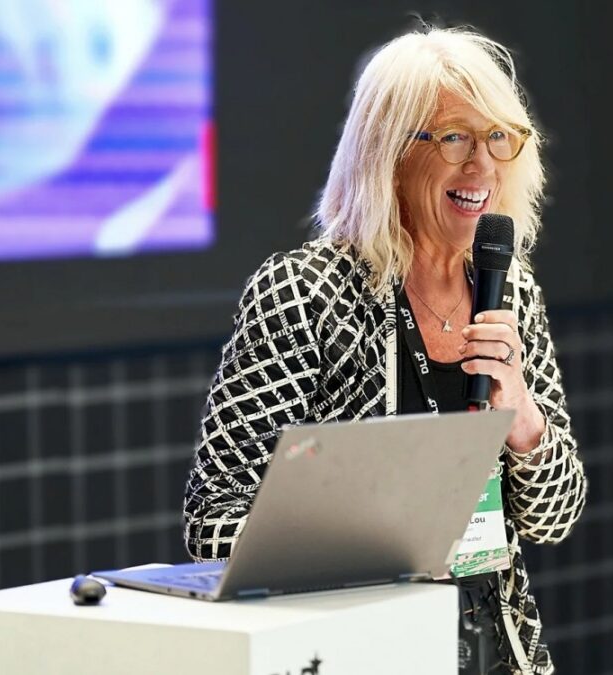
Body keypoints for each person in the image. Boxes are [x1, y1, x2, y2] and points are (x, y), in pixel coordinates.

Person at [183, 25, 587, 674]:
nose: (481, 165)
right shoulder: (303, 291)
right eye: (455, 136)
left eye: (497, 138)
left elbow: (555, 515)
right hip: (356, 652)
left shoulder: (510, 289)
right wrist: (386, 536)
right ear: (389, 152)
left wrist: (526, 421)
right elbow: (213, 526)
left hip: (494, 653)